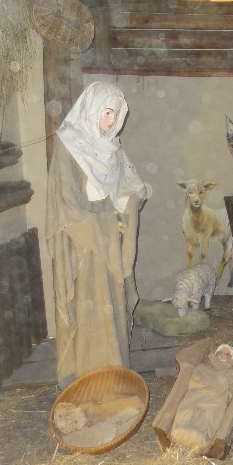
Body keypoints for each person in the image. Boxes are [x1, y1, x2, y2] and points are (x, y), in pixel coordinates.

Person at [46, 81, 146, 389]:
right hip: (83, 246)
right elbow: (65, 203)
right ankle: (88, 378)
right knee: (89, 310)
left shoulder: (112, 148)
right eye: (107, 113)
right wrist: (103, 224)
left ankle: (114, 374)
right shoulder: (68, 145)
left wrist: (126, 208)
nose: (112, 121)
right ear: (91, 109)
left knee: (112, 309)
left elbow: (130, 188)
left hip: (109, 244)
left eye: (116, 114)